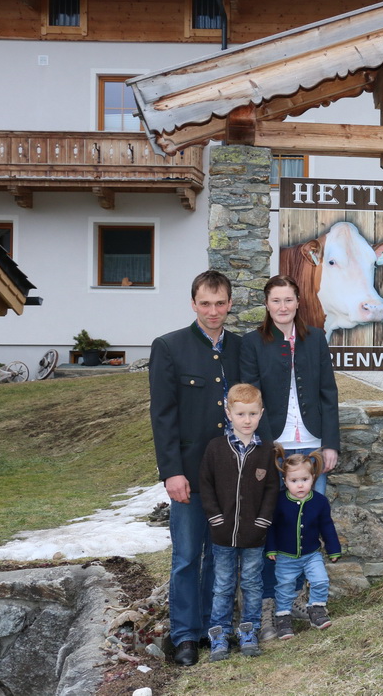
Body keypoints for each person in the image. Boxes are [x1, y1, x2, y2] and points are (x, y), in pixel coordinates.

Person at [149, 269, 241, 667]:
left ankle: (212, 628)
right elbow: (163, 415)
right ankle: (185, 634)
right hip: (188, 471)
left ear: (230, 304)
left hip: (231, 470)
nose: (213, 310)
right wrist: (171, 471)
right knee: (187, 555)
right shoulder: (169, 347)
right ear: (193, 304)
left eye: (220, 303)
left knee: (221, 555)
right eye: (205, 303)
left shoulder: (241, 349)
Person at [241, 275, 340, 639]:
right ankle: (271, 606)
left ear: (299, 302)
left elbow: (328, 393)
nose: (283, 307)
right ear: (267, 305)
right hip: (277, 447)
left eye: (289, 300)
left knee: (309, 523)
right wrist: (265, 448)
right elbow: (252, 397)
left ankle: (303, 601)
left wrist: (330, 444)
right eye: (276, 300)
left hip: (312, 446)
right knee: (276, 525)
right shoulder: (253, 343)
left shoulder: (316, 340)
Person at [198, 383, 279, 662]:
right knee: (222, 584)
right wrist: (216, 518)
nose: (247, 420)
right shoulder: (216, 448)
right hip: (222, 534)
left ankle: (249, 631)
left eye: (253, 414)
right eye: (241, 414)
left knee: (252, 584)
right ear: (229, 413)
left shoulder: (266, 449)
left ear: (261, 414)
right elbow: (205, 485)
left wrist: (262, 521)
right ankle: (219, 635)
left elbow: (271, 488)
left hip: (254, 535)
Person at [266, 452, 342, 638]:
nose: (300, 485)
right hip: (285, 556)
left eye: (304, 479)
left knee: (320, 580)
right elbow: (271, 527)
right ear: (285, 480)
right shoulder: (279, 501)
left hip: (311, 554)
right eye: (294, 480)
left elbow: (327, 526)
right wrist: (271, 548)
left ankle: (316, 609)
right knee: (284, 586)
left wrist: (333, 549)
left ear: (313, 478)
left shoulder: (319, 502)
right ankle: (283, 618)